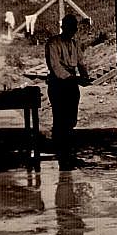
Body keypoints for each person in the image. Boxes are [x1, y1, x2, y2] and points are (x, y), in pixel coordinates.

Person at [45, 13, 91, 170]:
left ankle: (68, 154)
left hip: (71, 86)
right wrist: (75, 79)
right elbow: (55, 68)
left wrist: (85, 76)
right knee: (60, 120)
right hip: (58, 85)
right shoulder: (53, 43)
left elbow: (81, 63)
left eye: (74, 28)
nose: (72, 30)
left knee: (71, 119)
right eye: (69, 27)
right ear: (63, 27)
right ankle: (62, 157)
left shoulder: (75, 44)